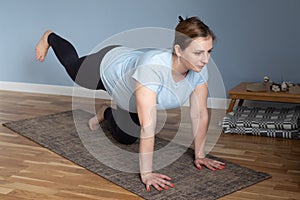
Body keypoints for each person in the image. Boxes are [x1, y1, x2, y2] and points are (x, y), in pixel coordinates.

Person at [35, 16, 225, 192]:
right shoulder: (152, 68)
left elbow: (199, 113)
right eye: (199, 52)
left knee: (126, 137)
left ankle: (106, 111)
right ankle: (50, 37)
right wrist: (147, 174)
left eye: (209, 52)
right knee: (74, 69)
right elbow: (148, 126)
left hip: (129, 95)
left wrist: (200, 155)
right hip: (108, 67)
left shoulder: (199, 70)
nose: (206, 60)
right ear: (178, 50)